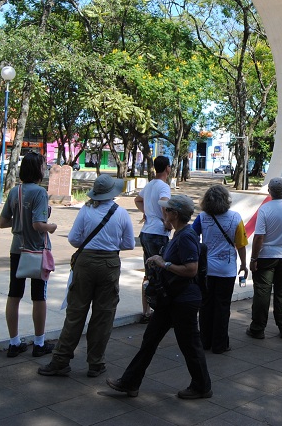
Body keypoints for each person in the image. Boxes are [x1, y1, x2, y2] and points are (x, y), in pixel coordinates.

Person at [106, 194, 212, 399]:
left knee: (189, 344)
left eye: (167, 210)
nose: (164, 212)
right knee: (150, 339)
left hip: (182, 300)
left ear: (175, 214)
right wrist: (160, 259)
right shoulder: (179, 234)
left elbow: (191, 269)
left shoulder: (186, 236)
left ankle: (202, 387)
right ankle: (130, 382)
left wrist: (164, 264)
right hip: (172, 299)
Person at [37, 174, 134, 378]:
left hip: (85, 262)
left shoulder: (86, 210)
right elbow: (129, 244)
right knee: (103, 315)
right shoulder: (121, 213)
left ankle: (60, 360)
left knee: (75, 313)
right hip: (109, 265)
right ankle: (95, 363)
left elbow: (74, 239)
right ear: (112, 193)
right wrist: (110, 244)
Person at [0, 152, 57, 358]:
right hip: (37, 250)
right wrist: (51, 227)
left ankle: (14, 342)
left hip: (17, 249)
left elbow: (2, 222)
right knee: (39, 296)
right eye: (43, 166)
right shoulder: (40, 193)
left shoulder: (15, 191)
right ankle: (39, 343)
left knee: (14, 294)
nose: (45, 169)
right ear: (38, 170)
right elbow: (38, 224)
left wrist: (18, 220)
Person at [246, 177, 282, 340]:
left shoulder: (265, 209)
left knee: (262, 292)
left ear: (269, 191)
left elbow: (259, 237)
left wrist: (254, 258)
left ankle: (258, 328)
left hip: (266, 256)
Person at [192, 184, 248, 354]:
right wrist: (244, 264)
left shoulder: (202, 217)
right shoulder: (235, 217)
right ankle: (220, 344)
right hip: (227, 269)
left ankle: (205, 341)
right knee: (222, 307)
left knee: (205, 305)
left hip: (206, 269)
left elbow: (192, 237)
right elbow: (241, 244)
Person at [135, 155, 171, 323]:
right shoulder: (164, 186)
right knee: (162, 272)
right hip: (158, 233)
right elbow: (164, 203)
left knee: (149, 272)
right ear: (167, 168)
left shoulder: (149, 184)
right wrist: (167, 221)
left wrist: (147, 212)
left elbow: (137, 199)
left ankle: (146, 311)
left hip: (146, 232)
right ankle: (162, 311)